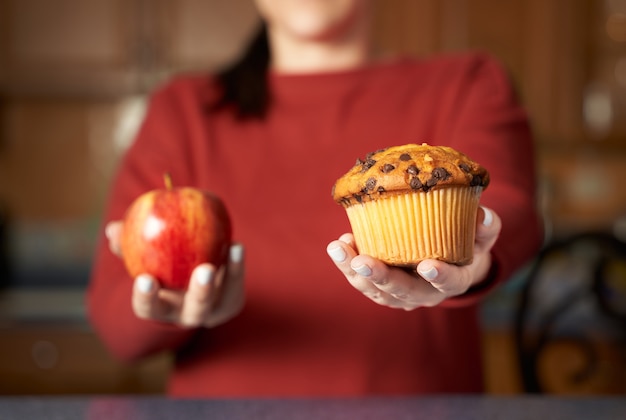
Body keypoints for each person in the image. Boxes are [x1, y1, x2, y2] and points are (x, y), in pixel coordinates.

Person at [87, 0, 543, 396]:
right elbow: (116, 330)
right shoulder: (182, 111)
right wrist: (172, 308)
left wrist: (472, 259)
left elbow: (512, 206)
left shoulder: (466, 82)